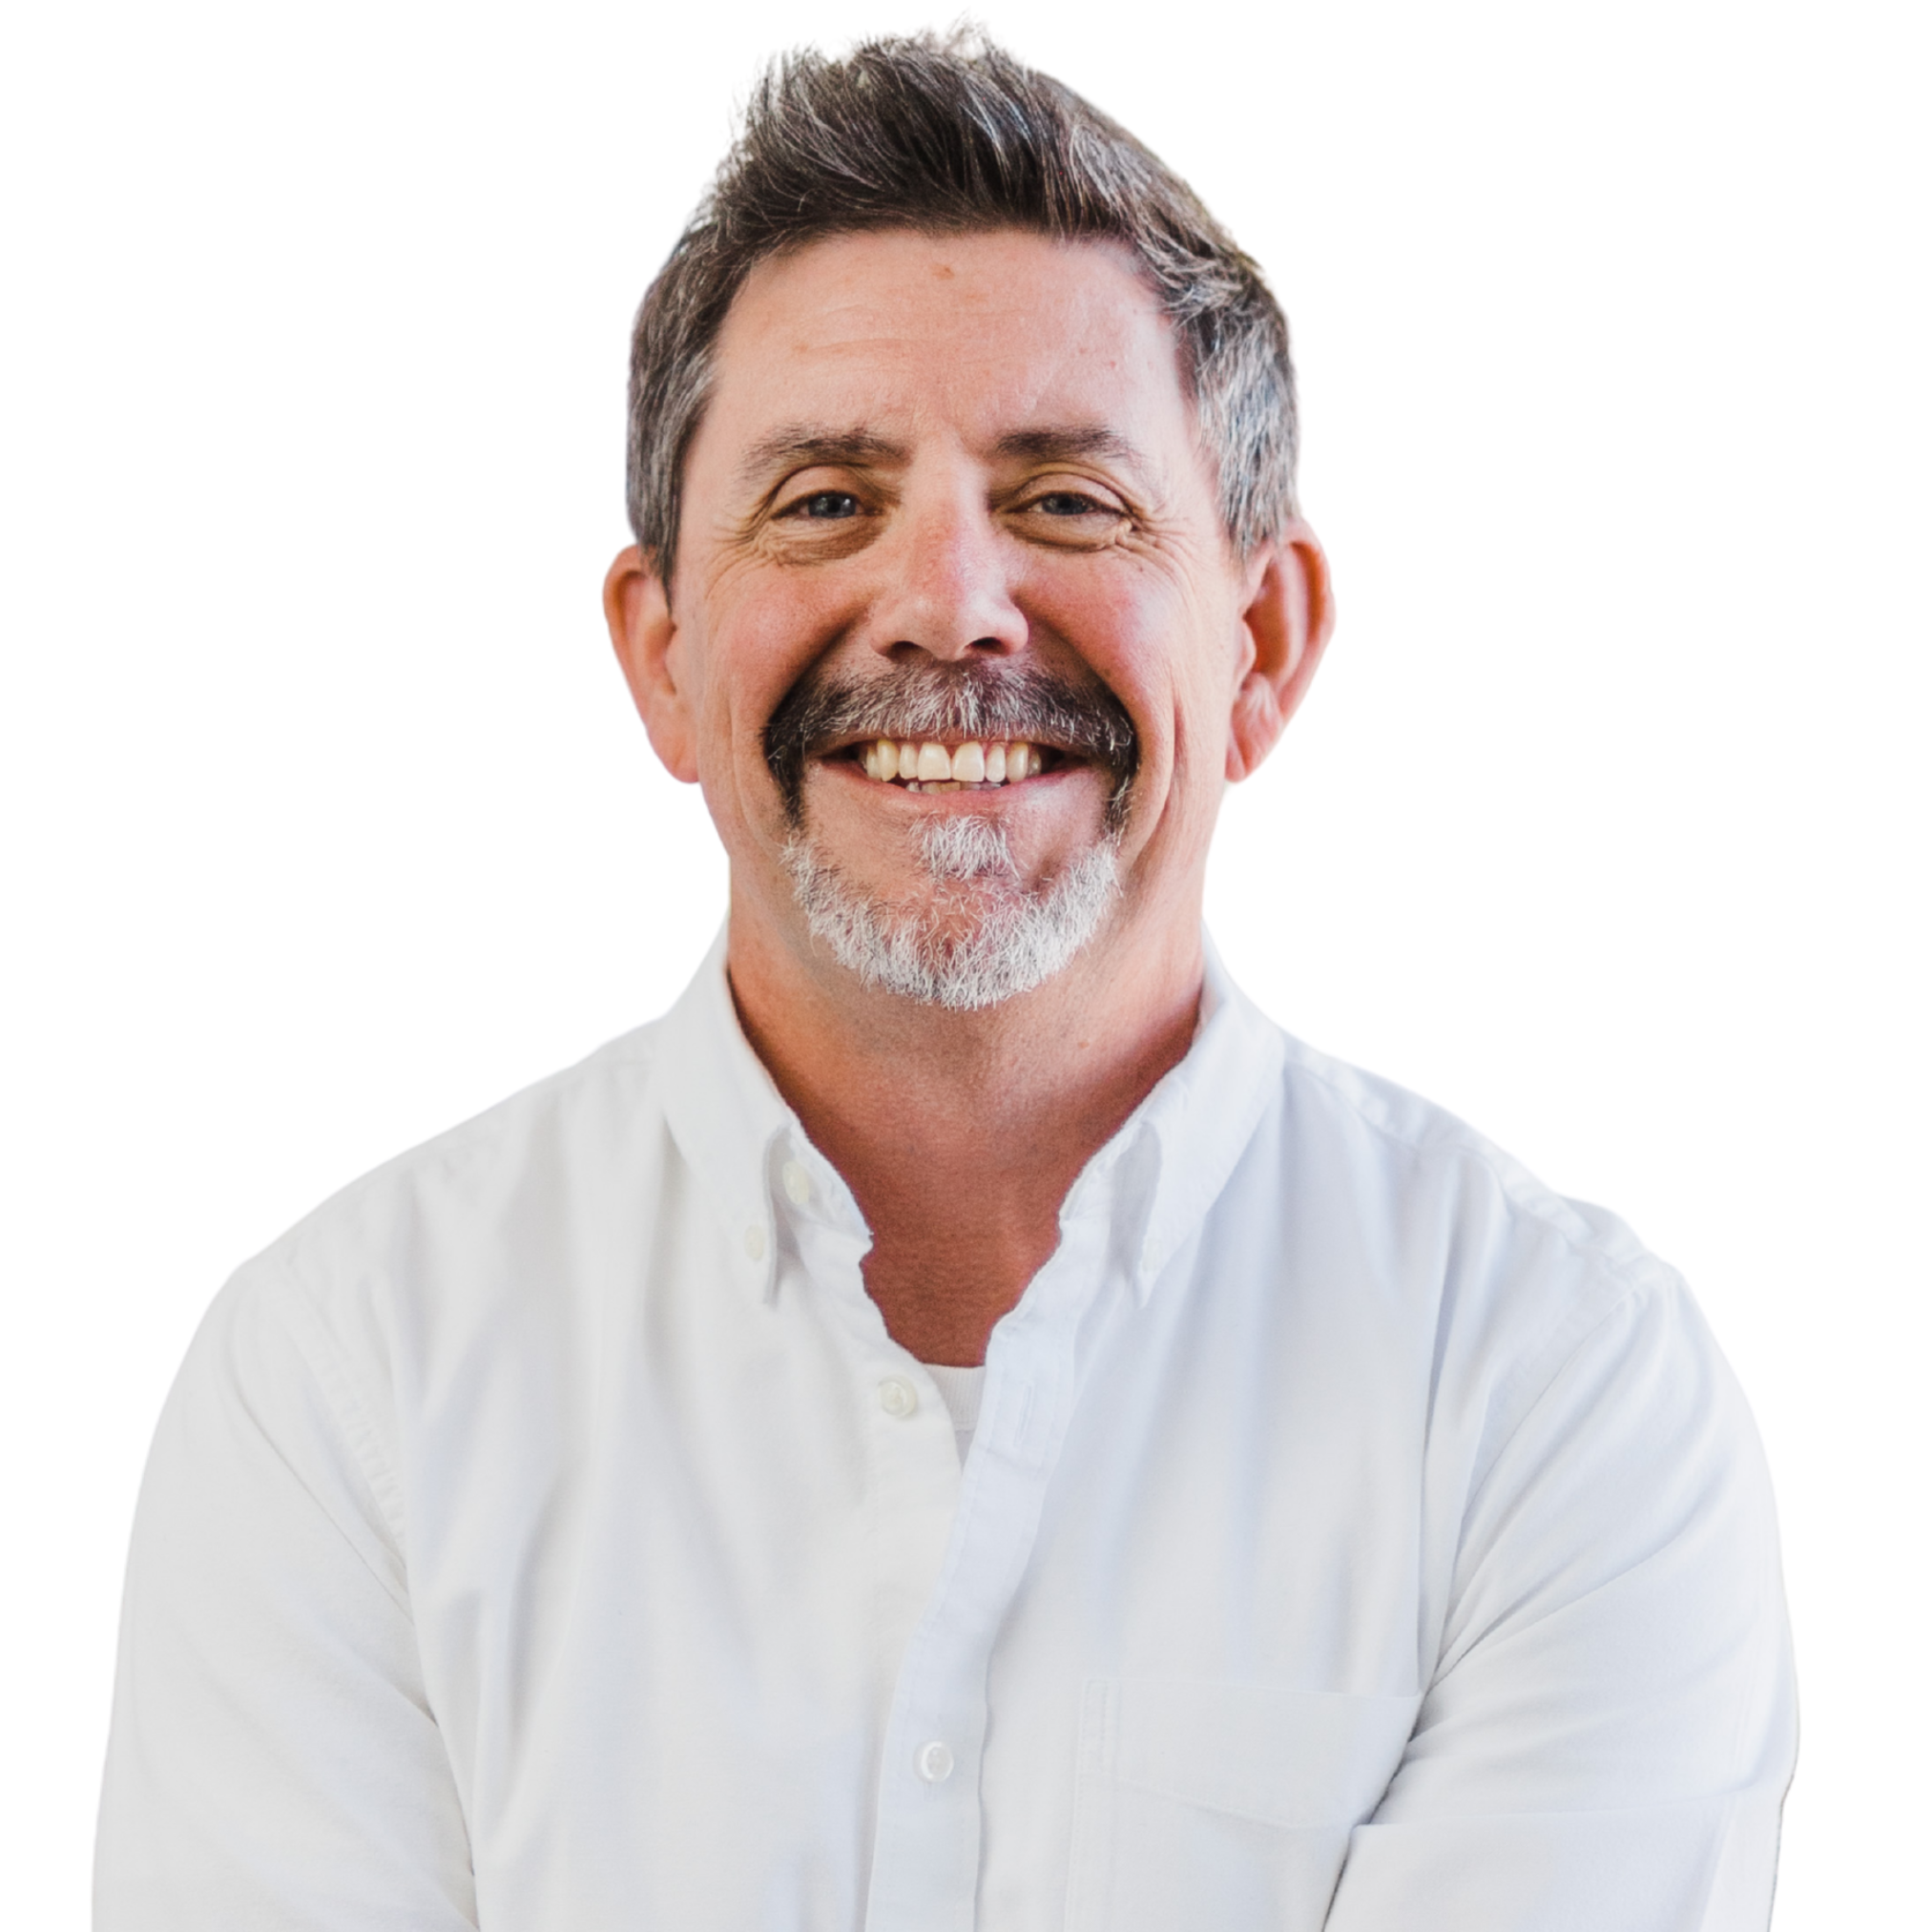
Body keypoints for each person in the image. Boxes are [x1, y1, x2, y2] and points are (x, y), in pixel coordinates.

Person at [94, 31, 1796, 1931]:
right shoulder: (346, 1385)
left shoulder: (1553, 1392)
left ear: (1260, 644)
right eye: (827, 500)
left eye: (1066, 498)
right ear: (663, 659)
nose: (950, 605)